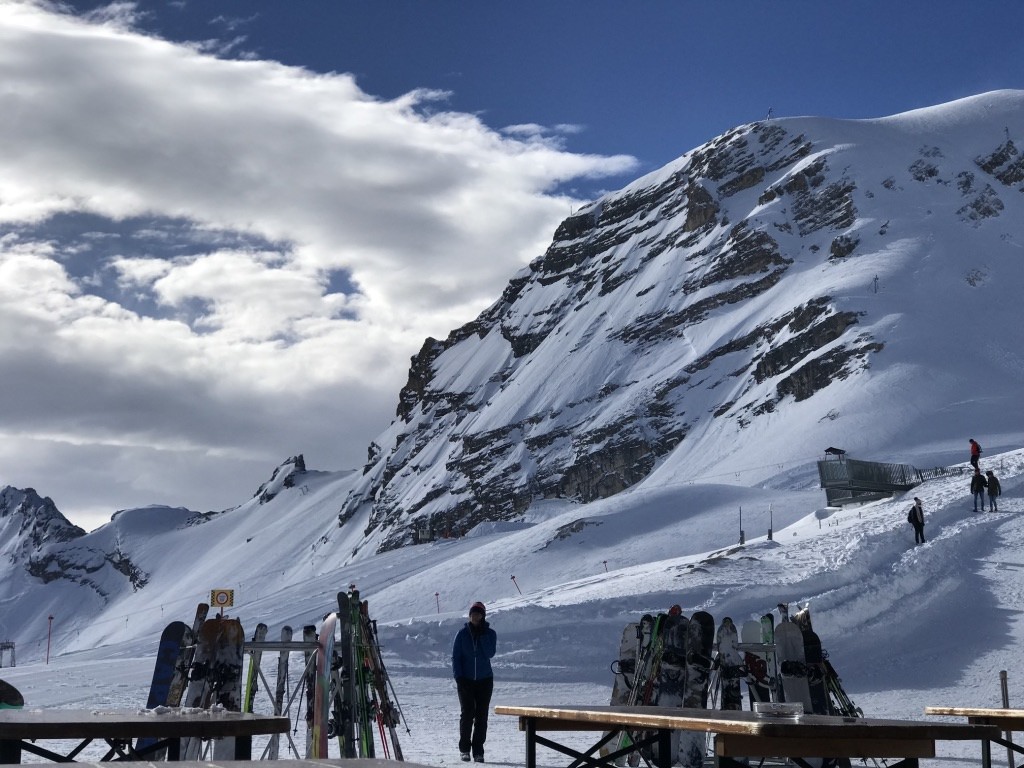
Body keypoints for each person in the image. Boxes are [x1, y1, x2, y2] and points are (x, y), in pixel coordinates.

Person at [452, 601, 497, 763]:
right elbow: (456, 657)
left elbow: (490, 653)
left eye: (478, 614)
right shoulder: (462, 634)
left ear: (483, 616)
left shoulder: (490, 633)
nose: (475, 617)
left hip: (485, 680)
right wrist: (459, 677)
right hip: (466, 680)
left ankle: (478, 751)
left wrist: (483, 634)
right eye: (472, 614)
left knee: (481, 716)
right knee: (467, 714)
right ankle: (464, 749)